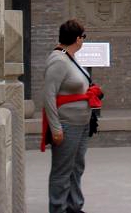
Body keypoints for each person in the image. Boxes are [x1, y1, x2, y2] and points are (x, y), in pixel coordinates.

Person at [42, 19, 103, 213]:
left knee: (76, 167)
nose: (83, 40)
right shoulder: (58, 60)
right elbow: (49, 96)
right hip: (66, 124)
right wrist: (55, 128)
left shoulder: (69, 57)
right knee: (62, 171)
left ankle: (74, 206)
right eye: (83, 37)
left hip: (81, 122)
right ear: (77, 39)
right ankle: (58, 208)